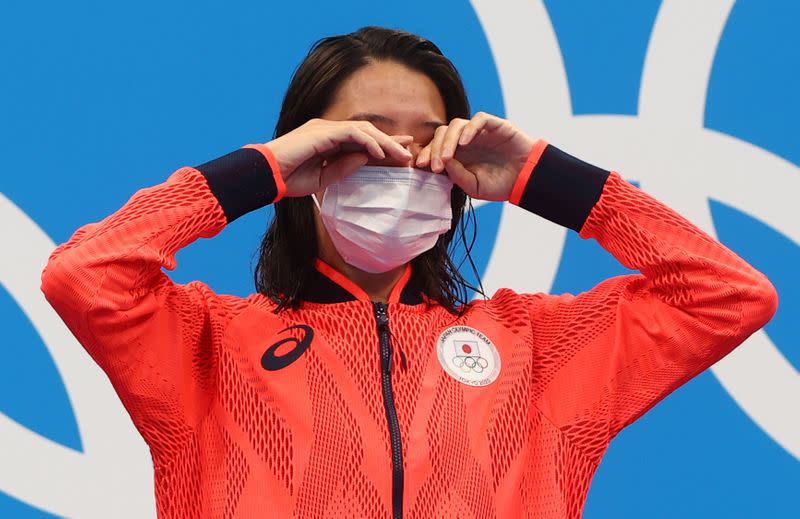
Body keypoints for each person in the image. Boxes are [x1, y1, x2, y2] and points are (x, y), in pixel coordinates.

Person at [40, 26, 778, 518]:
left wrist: (540, 177)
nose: (398, 158)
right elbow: (84, 274)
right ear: (313, 151)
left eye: (425, 140)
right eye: (365, 138)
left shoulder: (537, 351)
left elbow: (727, 295)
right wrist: (259, 170)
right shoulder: (204, 343)